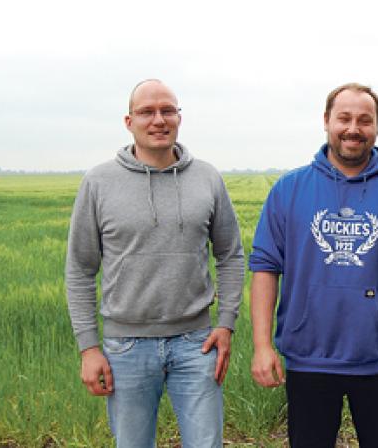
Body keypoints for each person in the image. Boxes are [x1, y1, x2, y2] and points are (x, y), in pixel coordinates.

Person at [249, 82, 378, 448]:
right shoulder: (289, 190)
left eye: (364, 120)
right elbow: (265, 267)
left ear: (377, 127)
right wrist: (262, 345)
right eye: (345, 118)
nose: (354, 129)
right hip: (309, 357)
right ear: (326, 121)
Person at [65, 79, 245, 448]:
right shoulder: (98, 182)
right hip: (126, 346)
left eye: (168, 110)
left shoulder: (207, 177)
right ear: (129, 121)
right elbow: (80, 269)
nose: (159, 119)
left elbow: (230, 255)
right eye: (147, 112)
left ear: (179, 117)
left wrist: (226, 324)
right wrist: (88, 348)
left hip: (198, 344)